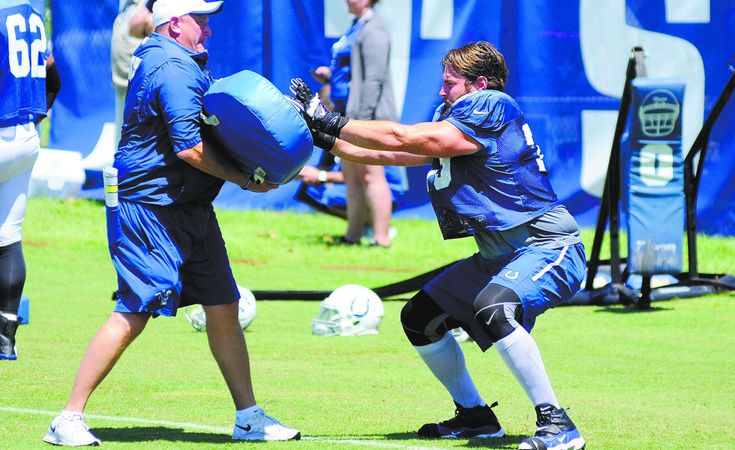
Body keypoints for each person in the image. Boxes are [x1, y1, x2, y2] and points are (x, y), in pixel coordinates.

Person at [291, 41, 587, 450]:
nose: (441, 91)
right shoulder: (457, 114)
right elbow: (396, 152)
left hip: (547, 244)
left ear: (479, 83)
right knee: (419, 317)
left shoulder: (492, 103)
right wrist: (325, 138)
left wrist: (331, 118)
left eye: (449, 83)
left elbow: (401, 134)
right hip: (496, 254)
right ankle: (475, 417)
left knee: (493, 308)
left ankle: (560, 427)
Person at [42, 0, 299, 445]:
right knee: (136, 310)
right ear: (176, 24)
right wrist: (246, 179)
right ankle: (67, 418)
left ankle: (248, 416)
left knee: (223, 305)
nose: (209, 31)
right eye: (201, 22)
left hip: (188, 206)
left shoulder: (180, 60)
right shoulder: (172, 68)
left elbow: (218, 126)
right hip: (149, 207)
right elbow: (190, 148)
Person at [1, 0, 60, 361]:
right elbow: (54, 80)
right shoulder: (32, 17)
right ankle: (6, 337)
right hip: (24, 137)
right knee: (8, 235)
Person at [311, 0, 396, 247]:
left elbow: (374, 79)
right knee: (352, 175)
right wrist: (329, 75)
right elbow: (352, 72)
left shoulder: (374, 29)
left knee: (371, 174)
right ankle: (353, 235)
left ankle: (381, 238)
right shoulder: (357, 26)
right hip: (347, 113)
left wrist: (364, 119)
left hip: (364, 115)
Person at [111, 0, 155, 147]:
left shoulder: (145, 12)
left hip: (139, 88)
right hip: (122, 84)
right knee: (122, 138)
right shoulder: (128, 8)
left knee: (134, 139)